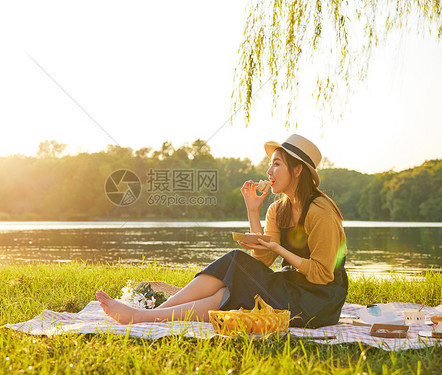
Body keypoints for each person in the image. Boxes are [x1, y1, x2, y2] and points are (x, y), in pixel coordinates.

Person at [96, 134, 348, 328]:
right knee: (232, 275)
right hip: (292, 285)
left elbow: (322, 275)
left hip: (318, 300)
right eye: (269, 165)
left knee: (234, 277)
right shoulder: (278, 209)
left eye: (277, 164)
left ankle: (141, 317)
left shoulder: (320, 211)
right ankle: (147, 316)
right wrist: (253, 211)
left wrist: (279, 248)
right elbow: (264, 260)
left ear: (298, 170)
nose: (269, 172)